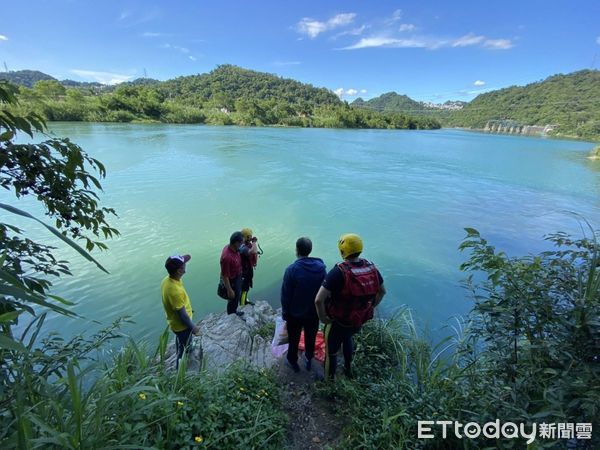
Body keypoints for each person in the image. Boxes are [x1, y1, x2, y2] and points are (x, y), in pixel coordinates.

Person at [315, 234, 386, 379]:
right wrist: (370, 307)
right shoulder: (371, 268)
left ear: (342, 252)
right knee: (347, 338)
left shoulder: (339, 272)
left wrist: (323, 318)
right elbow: (382, 291)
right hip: (358, 320)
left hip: (339, 321)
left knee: (331, 351)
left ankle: (329, 382)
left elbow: (318, 300)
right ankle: (348, 369)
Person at [281, 237, 326, 373]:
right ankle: (308, 358)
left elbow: (286, 295)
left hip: (295, 313)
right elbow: (325, 290)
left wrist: (285, 313)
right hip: (314, 311)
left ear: (297, 250)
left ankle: (292, 361)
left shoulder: (292, 270)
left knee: (294, 338)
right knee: (311, 336)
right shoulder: (321, 268)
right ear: (310, 250)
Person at [161, 254, 200, 369]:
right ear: (179, 270)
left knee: (181, 341)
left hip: (175, 323)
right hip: (182, 326)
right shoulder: (174, 291)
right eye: (184, 265)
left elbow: (177, 305)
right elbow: (183, 316)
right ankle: (179, 372)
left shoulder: (167, 280)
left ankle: (187, 346)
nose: (185, 265)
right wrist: (193, 328)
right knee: (182, 350)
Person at [220, 231, 245, 316]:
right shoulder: (227, 257)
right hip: (232, 280)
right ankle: (231, 315)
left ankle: (234, 311)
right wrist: (229, 290)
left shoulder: (234, 249)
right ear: (236, 243)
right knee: (233, 298)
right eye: (241, 242)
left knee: (237, 296)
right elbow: (225, 275)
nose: (242, 244)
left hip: (237, 276)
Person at [239, 228, 259, 306]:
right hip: (245, 272)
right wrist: (254, 242)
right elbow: (254, 251)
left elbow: (254, 252)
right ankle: (242, 304)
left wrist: (255, 262)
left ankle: (244, 300)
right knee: (244, 289)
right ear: (247, 237)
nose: (251, 237)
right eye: (250, 236)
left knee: (246, 288)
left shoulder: (245, 245)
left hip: (247, 269)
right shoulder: (243, 247)